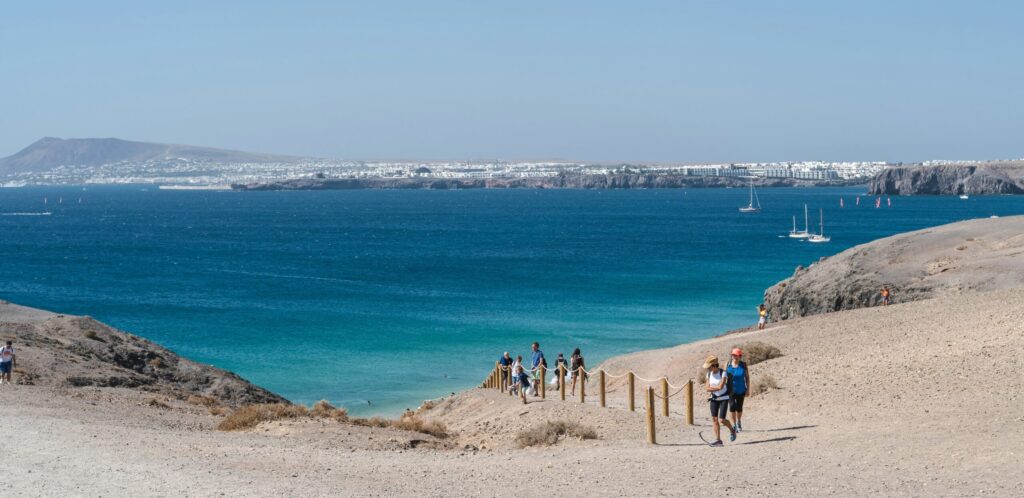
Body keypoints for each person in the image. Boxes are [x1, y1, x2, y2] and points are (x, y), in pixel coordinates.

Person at [703, 355, 737, 447]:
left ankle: (732, 430)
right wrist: (714, 388)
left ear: (714, 365)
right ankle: (718, 440)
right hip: (713, 399)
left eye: (709, 367)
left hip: (723, 399)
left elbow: (721, 387)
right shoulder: (708, 374)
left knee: (721, 420)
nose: (708, 369)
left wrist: (711, 388)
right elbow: (706, 388)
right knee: (714, 419)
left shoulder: (723, 373)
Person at [726, 348, 750, 432]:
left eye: (736, 355)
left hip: (741, 389)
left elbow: (747, 377)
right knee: (732, 407)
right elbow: (724, 377)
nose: (734, 357)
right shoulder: (727, 364)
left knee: (739, 408)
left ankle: (739, 421)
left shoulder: (743, 365)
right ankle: (734, 424)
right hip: (730, 390)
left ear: (740, 356)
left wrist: (748, 389)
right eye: (733, 355)